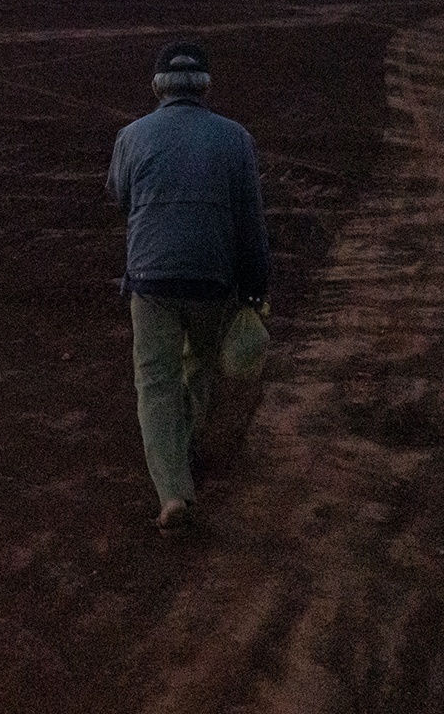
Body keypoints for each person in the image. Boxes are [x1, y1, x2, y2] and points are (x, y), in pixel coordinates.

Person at [107, 39, 269, 529]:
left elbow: (119, 198)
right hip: (213, 279)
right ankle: (187, 444)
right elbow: (251, 224)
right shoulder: (235, 138)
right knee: (198, 366)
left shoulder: (131, 136)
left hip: (150, 278)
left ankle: (173, 491)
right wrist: (256, 290)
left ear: (157, 86)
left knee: (154, 382)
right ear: (205, 87)